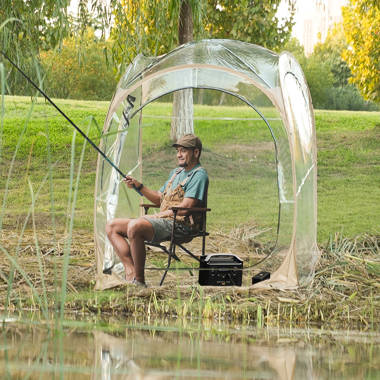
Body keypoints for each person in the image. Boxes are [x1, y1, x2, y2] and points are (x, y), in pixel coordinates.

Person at [106, 134, 209, 287]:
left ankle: (139, 282)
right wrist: (138, 186)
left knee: (135, 226)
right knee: (111, 226)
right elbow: (159, 198)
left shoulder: (199, 175)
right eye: (178, 150)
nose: (179, 154)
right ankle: (130, 272)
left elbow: (185, 209)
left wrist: (160, 215)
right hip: (165, 221)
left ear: (196, 153)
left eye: (184, 151)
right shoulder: (176, 173)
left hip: (182, 226)